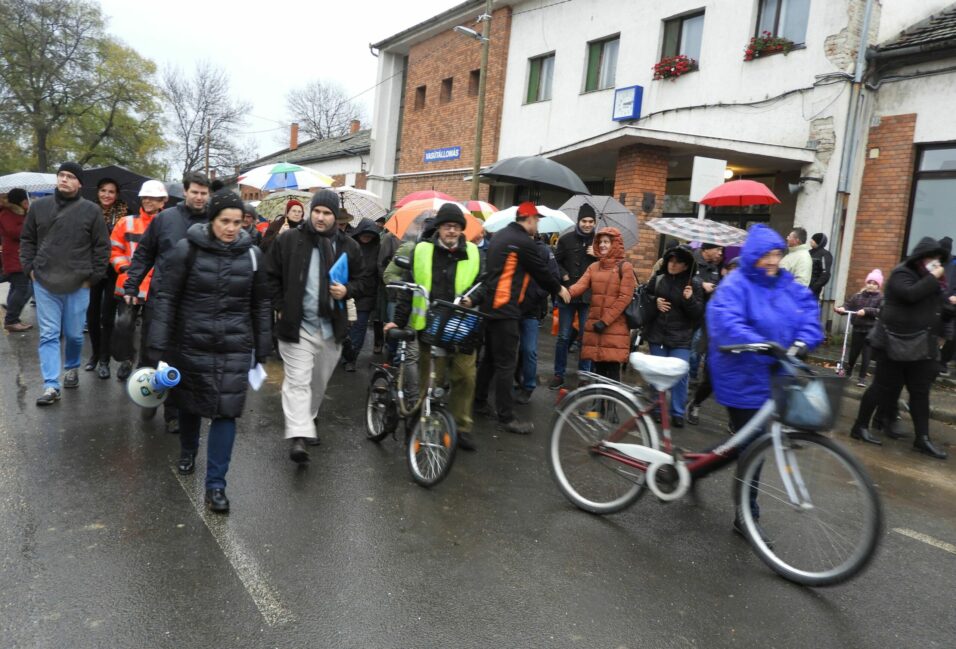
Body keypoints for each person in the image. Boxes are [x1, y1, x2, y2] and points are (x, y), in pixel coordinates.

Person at [149, 189, 272, 513]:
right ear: (211, 220)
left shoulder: (252, 255)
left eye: (237, 222)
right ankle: (188, 450)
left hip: (234, 345)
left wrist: (263, 345)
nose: (232, 228)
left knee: (226, 412)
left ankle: (216, 485)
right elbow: (166, 299)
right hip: (190, 343)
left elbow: (261, 303)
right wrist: (157, 348)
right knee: (190, 405)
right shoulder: (185, 251)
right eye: (224, 221)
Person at [708, 224, 823, 536]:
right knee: (753, 445)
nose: (772, 261)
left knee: (746, 442)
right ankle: (746, 515)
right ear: (752, 256)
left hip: (776, 376)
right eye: (765, 255)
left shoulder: (788, 285)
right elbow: (724, 321)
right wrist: (759, 343)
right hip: (741, 376)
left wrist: (803, 341)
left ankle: (696, 470)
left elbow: (809, 314)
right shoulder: (736, 286)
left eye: (777, 254)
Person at [265, 189, 370, 463]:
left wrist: (347, 290)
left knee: (317, 382)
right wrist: (280, 305)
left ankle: (308, 418)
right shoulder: (289, 240)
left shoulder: (349, 246)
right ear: (310, 212)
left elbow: (364, 281)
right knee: (298, 380)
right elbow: (270, 275)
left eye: (327, 213)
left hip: (330, 327)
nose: (321, 218)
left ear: (336, 217)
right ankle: (298, 436)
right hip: (297, 324)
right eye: (317, 212)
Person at [383, 203, 485, 450]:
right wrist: (398, 318)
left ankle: (460, 428)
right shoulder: (421, 251)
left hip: (461, 326)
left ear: (462, 230)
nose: (452, 231)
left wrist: (475, 298)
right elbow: (409, 288)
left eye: (457, 227)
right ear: (439, 228)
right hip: (430, 327)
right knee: (430, 383)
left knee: (465, 377)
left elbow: (485, 282)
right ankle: (423, 424)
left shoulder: (473, 252)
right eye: (448, 226)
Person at [124, 171, 211, 434]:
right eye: (194, 191)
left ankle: (173, 413)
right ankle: (150, 392)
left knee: (183, 358)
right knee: (155, 353)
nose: (198, 197)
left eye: (203, 193)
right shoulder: (165, 219)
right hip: (162, 298)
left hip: (196, 302)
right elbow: (144, 254)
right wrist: (132, 285)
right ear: (185, 192)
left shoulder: (213, 221)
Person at [850, 237, 952, 459]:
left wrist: (950, 307)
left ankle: (922, 439)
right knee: (881, 387)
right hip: (893, 343)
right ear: (920, 258)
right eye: (931, 258)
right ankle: (860, 426)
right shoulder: (902, 273)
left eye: (938, 259)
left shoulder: (934, 281)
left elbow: (938, 308)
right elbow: (910, 295)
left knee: (920, 392)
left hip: (921, 346)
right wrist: (935, 278)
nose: (935, 263)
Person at [474, 201, 570, 434]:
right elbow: (541, 271)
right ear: (528, 219)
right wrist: (559, 289)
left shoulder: (499, 236)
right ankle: (506, 417)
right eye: (537, 220)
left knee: (489, 360)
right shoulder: (523, 241)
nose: (538, 225)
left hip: (490, 307)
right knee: (506, 364)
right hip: (505, 309)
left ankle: (478, 403)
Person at [19, 162, 110, 405]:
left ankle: (71, 367)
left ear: (79, 183)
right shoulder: (39, 207)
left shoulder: (91, 211)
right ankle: (51, 385)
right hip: (44, 281)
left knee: (74, 335)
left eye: (70, 176)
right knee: (49, 335)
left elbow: (102, 247)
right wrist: (30, 270)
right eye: (62, 175)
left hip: (79, 283)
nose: (64, 180)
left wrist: (93, 278)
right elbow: (27, 240)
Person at [109, 180, 168, 380]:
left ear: (163, 201)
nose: (149, 201)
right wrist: (124, 268)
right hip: (130, 284)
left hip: (156, 287)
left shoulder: (168, 224)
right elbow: (114, 248)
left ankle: (144, 365)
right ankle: (126, 359)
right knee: (123, 325)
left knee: (150, 331)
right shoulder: (126, 222)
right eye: (146, 197)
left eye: (154, 198)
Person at [644, 245, 704, 426]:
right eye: (671, 260)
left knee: (681, 374)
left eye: (678, 262)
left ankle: (677, 412)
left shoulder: (694, 284)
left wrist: (690, 300)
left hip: (681, 338)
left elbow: (698, 314)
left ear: (686, 266)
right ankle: (656, 408)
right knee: (658, 372)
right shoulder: (659, 278)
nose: (673, 264)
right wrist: (655, 301)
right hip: (658, 334)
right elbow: (645, 296)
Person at [567, 227, 636, 384]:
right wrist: (563, 291)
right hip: (596, 326)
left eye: (607, 242)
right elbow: (579, 286)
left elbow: (624, 298)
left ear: (615, 244)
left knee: (611, 374)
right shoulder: (593, 267)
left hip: (614, 327)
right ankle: (597, 405)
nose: (603, 245)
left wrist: (604, 321)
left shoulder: (625, 267)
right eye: (600, 242)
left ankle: (609, 407)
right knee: (597, 372)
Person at [687, 255, 740, 424]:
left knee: (735, 385)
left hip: (737, 346)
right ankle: (695, 403)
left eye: (738, 271)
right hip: (716, 343)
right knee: (710, 382)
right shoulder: (719, 291)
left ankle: (735, 421)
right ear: (725, 271)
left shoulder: (745, 293)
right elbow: (711, 316)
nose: (734, 274)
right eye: (731, 270)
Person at [85, 178, 128, 379]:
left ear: (117, 194)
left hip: (113, 271)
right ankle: (94, 355)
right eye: (103, 190)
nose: (107, 195)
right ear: (97, 192)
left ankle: (104, 359)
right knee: (91, 316)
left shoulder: (124, 214)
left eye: (111, 191)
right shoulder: (88, 212)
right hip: (93, 269)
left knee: (107, 317)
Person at [550, 203, 597, 389]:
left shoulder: (600, 242)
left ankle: (584, 375)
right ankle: (558, 374)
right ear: (579, 221)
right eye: (584, 221)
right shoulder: (566, 239)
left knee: (586, 336)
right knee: (563, 336)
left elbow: (609, 266)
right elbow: (555, 262)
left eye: (590, 221)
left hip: (587, 296)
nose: (587, 224)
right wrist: (564, 275)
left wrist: (599, 255)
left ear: (595, 222)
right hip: (568, 294)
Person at [515, 236, 561, 404]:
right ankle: (516, 377)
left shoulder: (543, 251)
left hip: (531, 309)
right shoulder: (513, 245)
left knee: (529, 349)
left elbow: (554, 277)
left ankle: (528, 386)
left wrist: (536, 295)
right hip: (511, 307)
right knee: (511, 349)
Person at [342, 217, 382, 372]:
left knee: (359, 327)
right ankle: (343, 353)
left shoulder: (377, 248)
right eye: (364, 234)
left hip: (367, 294)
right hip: (349, 290)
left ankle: (351, 358)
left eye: (371, 234)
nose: (367, 237)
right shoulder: (349, 245)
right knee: (345, 327)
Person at [834, 269, 883, 387]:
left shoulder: (881, 298)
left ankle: (862, 377)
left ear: (878, 286)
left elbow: (881, 311)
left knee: (866, 354)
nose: (871, 285)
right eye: (869, 282)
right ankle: (849, 371)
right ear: (866, 283)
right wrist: (841, 309)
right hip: (857, 328)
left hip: (871, 330)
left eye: (874, 283)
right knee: (853, 353)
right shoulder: (858, 296)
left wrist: (866, 311)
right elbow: (848, 305)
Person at [689, 243, 723, 381]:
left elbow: (715, 285)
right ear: (706, 249)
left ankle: (692, 377)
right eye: (718, 249)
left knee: (698, 349)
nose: (720, 253)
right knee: (692, 349)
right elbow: (684, 281)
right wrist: (702, 284)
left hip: (705, 314)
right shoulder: (692, 262)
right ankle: (689, 377)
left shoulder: (714, 267)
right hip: (690, 313)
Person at [0, 188, 33, 331]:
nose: (27, 203)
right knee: (21, 287)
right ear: (19, 201)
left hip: (19, 255)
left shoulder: (19, 213)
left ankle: (13, 317)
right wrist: (29, 224)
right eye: (25, 200)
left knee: (17, 287)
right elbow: (15, 232)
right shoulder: (7, 213)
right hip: (14, 256)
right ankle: (11, 320)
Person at [809, 233, 833, 299]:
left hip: (813, 291)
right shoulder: (808, 253)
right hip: (803, 286)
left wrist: (814, 288)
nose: (810, 241)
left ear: (818, 242)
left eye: (813, 240)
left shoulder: (825, 254)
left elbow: (825, 274)